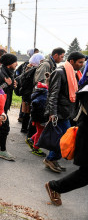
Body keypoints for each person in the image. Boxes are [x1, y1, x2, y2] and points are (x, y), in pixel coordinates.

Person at [45, 61, 88, 206]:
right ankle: (54, 186)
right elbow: (53, 93)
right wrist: (53, 112)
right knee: (85, 174)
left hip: (67, 115)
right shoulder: (86, 89)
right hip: (87, 137)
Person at [43, 51, 85, 173]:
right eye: (80, 62)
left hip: (68, 111)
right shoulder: (60, 72)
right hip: (59, 112)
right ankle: (50, 159)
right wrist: (53, 113)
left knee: (63, 138)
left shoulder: (75, 74)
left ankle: (53, 159)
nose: (82, 65)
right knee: (64, 139)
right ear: (71, 61)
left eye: (83, 62)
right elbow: (53, 94)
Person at [0, 53, 18, 161]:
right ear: (9, 64)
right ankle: (2, 151)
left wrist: (13, 85)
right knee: (5, 128)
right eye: (15, 62)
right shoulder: (1, 74)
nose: (16, 64)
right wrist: (7, 84)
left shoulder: (9, 73)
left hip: (4, 104)